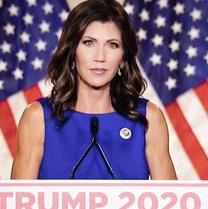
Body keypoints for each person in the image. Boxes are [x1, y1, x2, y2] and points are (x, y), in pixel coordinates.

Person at [11, 0, 177, 180]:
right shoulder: (38, 118)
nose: (100, 57)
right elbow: (18, 204)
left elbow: (170, 204)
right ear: (72, 50)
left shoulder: (149, 118)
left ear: (123, 58)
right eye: (89, 43)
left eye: (112, 45)